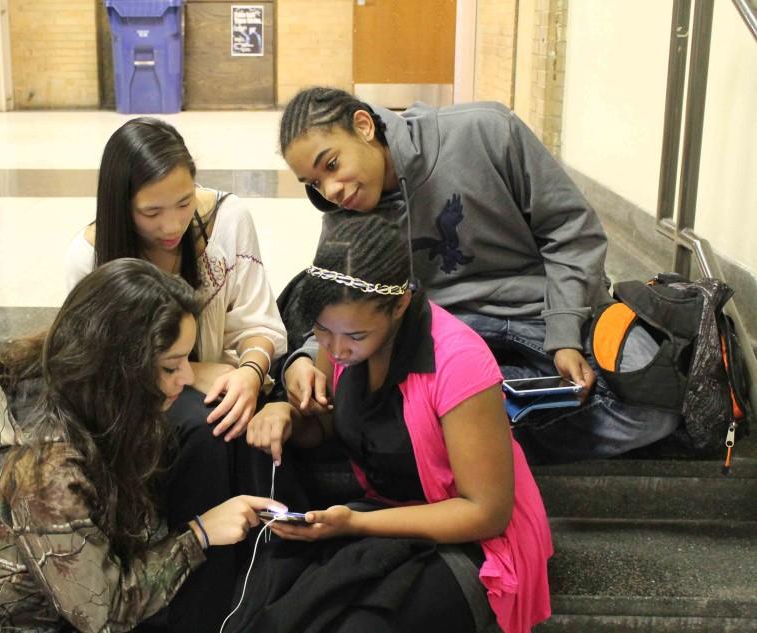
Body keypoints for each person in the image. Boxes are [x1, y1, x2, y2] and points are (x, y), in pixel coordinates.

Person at [277, 86, 681, 464]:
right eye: (313, 182)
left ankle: (464, 432)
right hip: (442, 335)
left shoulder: (486, 130)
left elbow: (571, 231)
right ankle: (476, 422)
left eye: (331, 164)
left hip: (545, 310)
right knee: (367, 405)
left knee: (652, 403)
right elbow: (338, 297)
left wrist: (565, 334)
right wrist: (308, 358)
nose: (330, 189)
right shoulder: (344, 212)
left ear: (364, 127)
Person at [0, 258, 287, 633]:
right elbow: (103, 612)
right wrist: (199, 535)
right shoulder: (46, 468)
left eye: (187, 360)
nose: (186, 376)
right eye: (171, 365)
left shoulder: (76, 400)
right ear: (119, 366)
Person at [242, 216, 552, 633]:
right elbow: (329, 426)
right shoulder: (340, 341)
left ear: (401, 304)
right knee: (283, 607)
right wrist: (285, 414)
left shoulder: (458, 362)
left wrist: (357, 524)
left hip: (469, 541)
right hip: (383, 518)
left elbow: (487, 513)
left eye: (354, 335)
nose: (335, 349)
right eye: (321, 331)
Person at [65, 117, 286, 438]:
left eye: (185, 203)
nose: (172, 226)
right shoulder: (89, 257)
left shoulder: (228, 219)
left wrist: (250, 374)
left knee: (249, 429)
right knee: (202, 424)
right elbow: (94, 366)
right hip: (135, 410)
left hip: (225, 384)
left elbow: (258, 324)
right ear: (121, 205)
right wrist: (192, 372)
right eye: (151, 213)